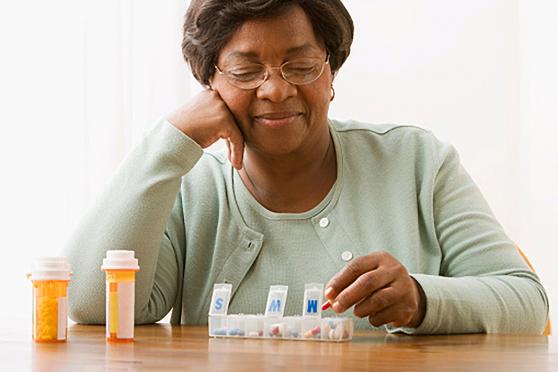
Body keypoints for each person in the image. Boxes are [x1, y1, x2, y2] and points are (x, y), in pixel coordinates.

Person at [63, 0, 548, 334]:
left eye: (299, 65)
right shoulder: (189, 185)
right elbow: (91, 306)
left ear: (331, 69)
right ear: (208, 82)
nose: (275, 90)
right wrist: (170, 142)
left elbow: (526, 302)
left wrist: (422, 300)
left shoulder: (418, 162)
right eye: (246, 70)